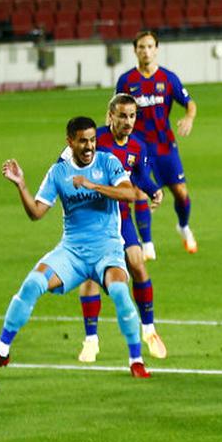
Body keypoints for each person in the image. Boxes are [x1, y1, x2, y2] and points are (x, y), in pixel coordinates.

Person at [0, 116, 150, 378]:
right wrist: (21, 185)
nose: (89, 146)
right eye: (82, 141)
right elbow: (36, 212)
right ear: (70, 142)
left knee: (122, 294)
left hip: (107, 249)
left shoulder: (108, 162)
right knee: (32, 283)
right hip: (72, 252)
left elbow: (130, 194)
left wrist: (92, 185)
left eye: (92, 140)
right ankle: (1, 351)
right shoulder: (59, 172)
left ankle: (136, 360)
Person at [75, 94, 167, 363]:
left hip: (120, 216)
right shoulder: (96, 140)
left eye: (132, 116)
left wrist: (154, 190)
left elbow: (139, 176)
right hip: (91, 218)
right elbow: (70, 163)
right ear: (110, 116)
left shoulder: (138, 146)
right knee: (91, 275)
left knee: (137, 264)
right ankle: (91, 339)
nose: (128, 121)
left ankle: (149, 329)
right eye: (122, 116)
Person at [115, 30, 198, 256]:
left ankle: (183, 226)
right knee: (140, 192)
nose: (146, 51)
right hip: (138, 148)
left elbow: (190, 103)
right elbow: (113, 110)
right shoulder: (126, 80)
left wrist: (189, 118)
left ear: (156, 49)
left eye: (150, 46)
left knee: (181, 192)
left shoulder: (168, 79)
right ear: (135, 51)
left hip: (164, 146)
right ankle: (148, 245)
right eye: (141, 47)